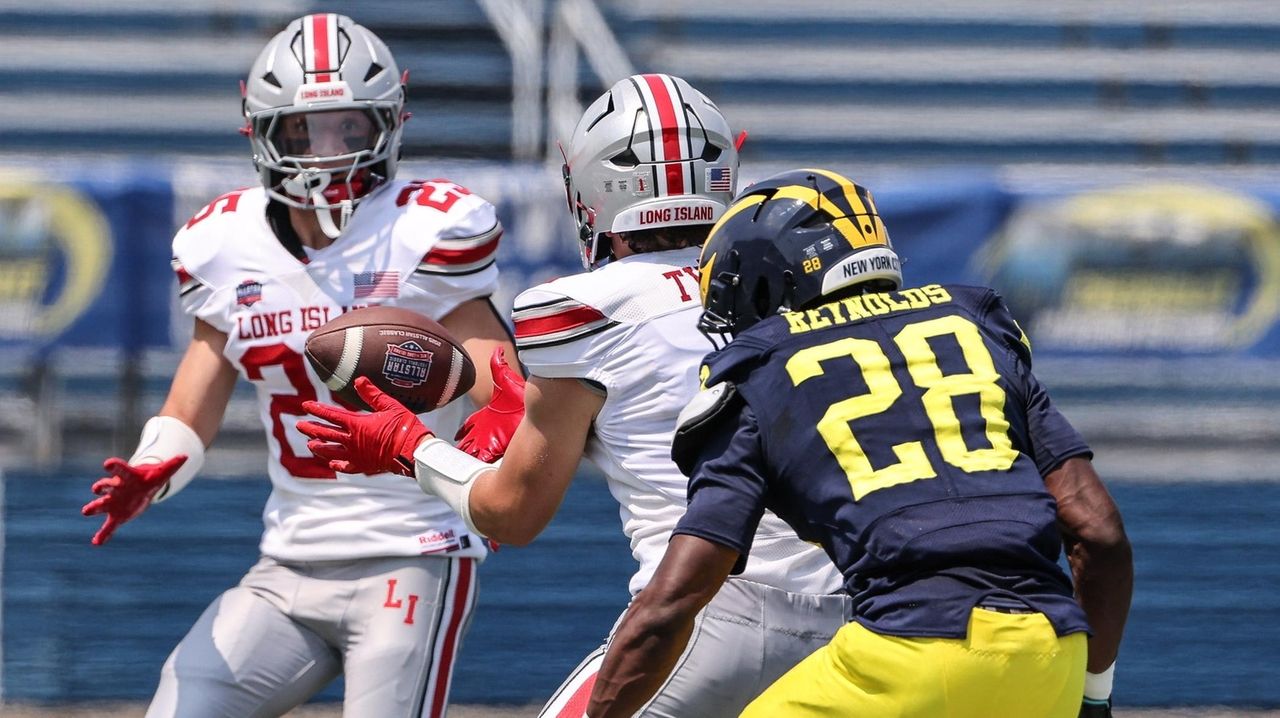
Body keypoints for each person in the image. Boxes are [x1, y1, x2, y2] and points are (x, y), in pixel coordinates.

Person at [297, 74, 851, 718]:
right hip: (857, 618)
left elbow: (513, 513)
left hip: (704, 616)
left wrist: (408, 446)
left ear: (590, 189)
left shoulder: (581, 310)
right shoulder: (801, 282)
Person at [576, 168, 1135, 717]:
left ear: (766, 279)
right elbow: (1098, 531)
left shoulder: (761, 372)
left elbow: (675, 600)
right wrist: (1092, 694)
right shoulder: (977, 329)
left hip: (905, 654)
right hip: (1050, 657)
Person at [80, 14, 515, 718]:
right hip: (287, 561)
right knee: (178, 705)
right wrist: (155, 464)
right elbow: (196, 394)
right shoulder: (222, 242)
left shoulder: (423, 230)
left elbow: (505, 384)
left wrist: (498, 430)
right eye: (303, 132)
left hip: (414, 548)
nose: (327, 152)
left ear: (391, 123)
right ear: (261, 133)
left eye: (350, 128)